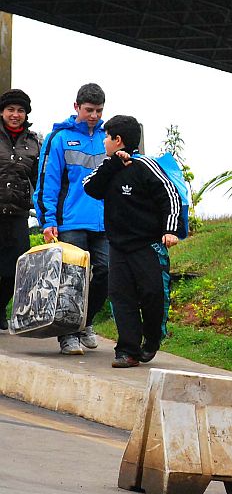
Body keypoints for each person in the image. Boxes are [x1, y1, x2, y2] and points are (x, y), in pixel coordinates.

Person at [82, 115, 181, 368]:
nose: (103, 141)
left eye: (107, 137)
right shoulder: (109, 167)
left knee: (152, 295)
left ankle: (152, 339)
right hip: (117, 247)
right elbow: (90, 187)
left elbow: (170, 196)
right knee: (121, 297)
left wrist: (170, 230)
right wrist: (113, 164)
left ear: (118, 140)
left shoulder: (147, 166)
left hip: (147, 245)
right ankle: (127, 350)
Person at [34, 82, 109, 355]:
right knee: (70, 280)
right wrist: (47, 220)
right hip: (70, 221)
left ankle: (84, 322)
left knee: (106, 273)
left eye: (99, 111)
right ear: (76, 106)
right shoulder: (60, 138)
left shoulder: (108, 138)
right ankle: (68, 336)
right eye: (89, 110)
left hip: (103, 223)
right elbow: (48, 181)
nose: (94, 116)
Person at [0, 89, 41, 332]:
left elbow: (40, 181)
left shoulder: (35, 142)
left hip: (18, 213)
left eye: (21, 111)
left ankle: (1, 306)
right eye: (11, 110)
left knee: (17, 268)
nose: (15, 115)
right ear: (2, 112)